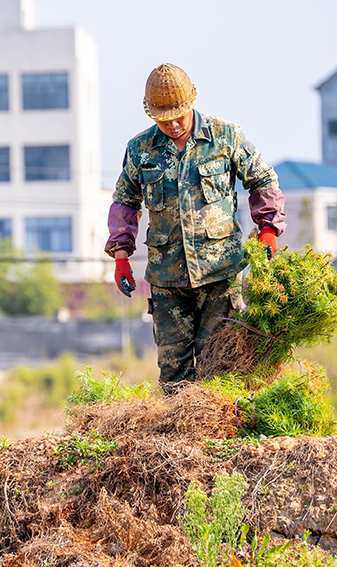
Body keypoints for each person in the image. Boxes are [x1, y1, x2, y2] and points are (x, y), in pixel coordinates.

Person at [105, 64, 286, 392]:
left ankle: (222, 441)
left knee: (219, 367)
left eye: (179, 116)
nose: (173, 125)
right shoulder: (141, 149)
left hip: (219, 274)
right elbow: (124, 203)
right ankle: (181, 441)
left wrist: (268, 229)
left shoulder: (224, 136)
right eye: (164, 119)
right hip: (167, 280)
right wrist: (120, 256)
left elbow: (262, 180)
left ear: (191, 104)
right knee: (174, 375)